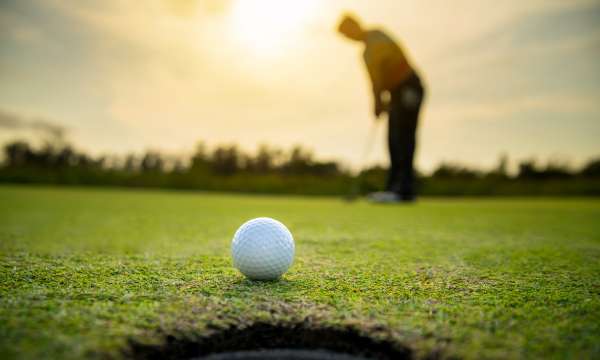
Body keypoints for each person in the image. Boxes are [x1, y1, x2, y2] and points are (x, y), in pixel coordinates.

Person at [338, 14, 425, 203]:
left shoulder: (376, 35)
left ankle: (405, 190)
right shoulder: (364, 53)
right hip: (395, 93)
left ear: (355, 25)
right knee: (393, 138)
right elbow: (374, 82)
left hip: (409, 86)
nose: (348, 38)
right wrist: (377, 102)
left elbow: (387, 63)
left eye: (347, 32)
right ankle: (394, 188)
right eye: (345, 36)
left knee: (404, 136)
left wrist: (380, 98)